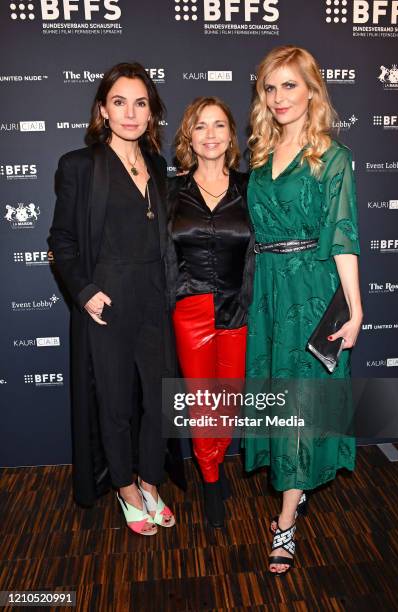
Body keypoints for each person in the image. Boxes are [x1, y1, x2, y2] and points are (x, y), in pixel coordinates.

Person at [244, 46, 363, 574]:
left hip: (311, 293)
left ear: (312, 90)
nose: (279, 98)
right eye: (270, 87)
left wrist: (354, 309)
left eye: (290, 85)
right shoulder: (261, 154)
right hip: (269, 294)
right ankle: (295, 492)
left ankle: (287, 521)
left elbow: (342, 236)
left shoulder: (332, 157)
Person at [49, 62, 177, 535]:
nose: (130, 112)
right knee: (117, 402)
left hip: (155, 296)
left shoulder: (160, 167)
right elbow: (61, 241)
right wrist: (84, 293)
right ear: (103, 110)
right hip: (108, 300)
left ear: (151, 112)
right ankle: (125, 486)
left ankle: (150, 479)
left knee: (159, 400)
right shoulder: (79, 166)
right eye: (119, 102)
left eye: (140, 103)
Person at [167, 97, 254, 528]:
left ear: (231, 135)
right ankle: (210, 476)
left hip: (238, 306)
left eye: (219, 125)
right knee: (204, 402)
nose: (210, 135)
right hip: (192, 308)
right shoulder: (171, 192)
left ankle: (215, 462)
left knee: (229, 400)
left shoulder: (250, 186)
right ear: (189, 136)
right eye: (200, 126)